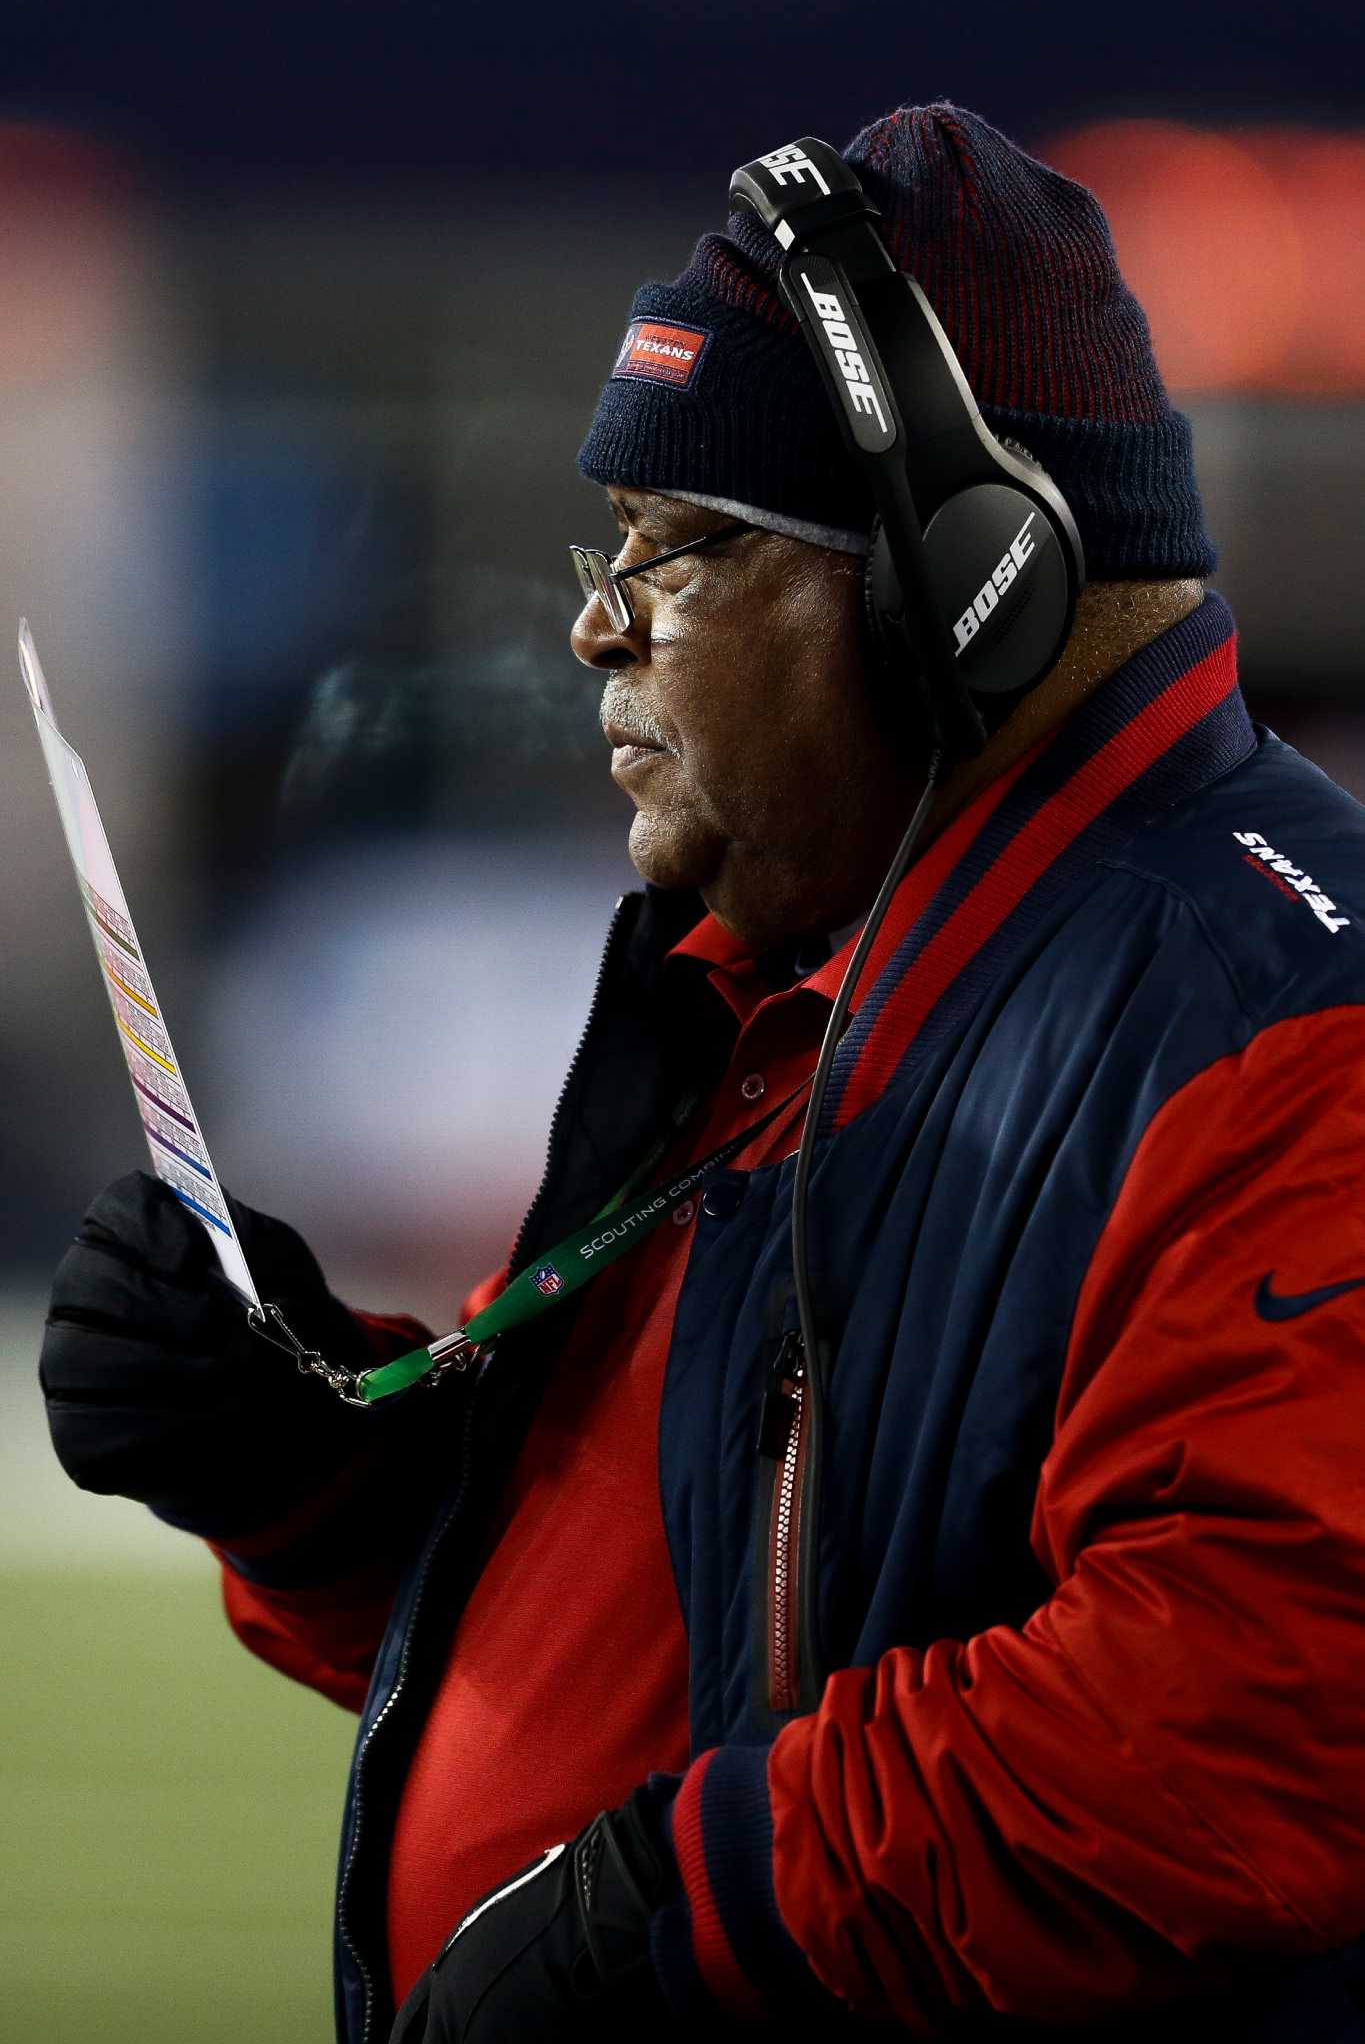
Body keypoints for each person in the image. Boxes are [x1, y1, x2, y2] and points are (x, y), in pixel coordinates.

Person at [40, 101, 1365, 2044]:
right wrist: (319, 1477)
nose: (597, 623)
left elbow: (1267, 1702)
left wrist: (680, 1910)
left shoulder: (1266, 1014)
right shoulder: (785, 986)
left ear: (962, 582)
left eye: (682, 548)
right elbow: (682, 1625)